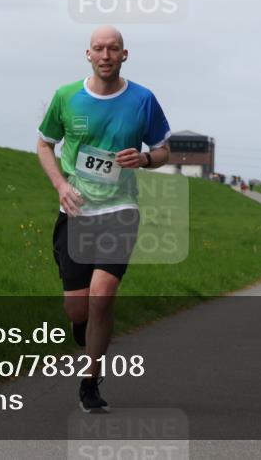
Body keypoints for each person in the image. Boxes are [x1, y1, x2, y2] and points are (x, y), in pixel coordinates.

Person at [37, 26, 171, 412]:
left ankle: (90, 380)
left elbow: (163, 149)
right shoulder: (67, 97)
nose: (106, 55)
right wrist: (61, 185)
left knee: (102, 296)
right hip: (76, 211)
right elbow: (44, 144)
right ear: (88, 54)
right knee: (78, 309)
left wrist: (145, 159)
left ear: (125, 55)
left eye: (114, 49)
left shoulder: (143, 99)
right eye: (99, 49)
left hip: (120, 211)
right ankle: (84, 328)